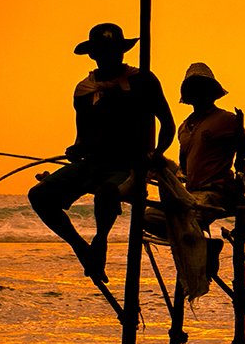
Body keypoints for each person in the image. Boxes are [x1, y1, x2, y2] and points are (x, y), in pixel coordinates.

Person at [29, 22, 175, 283]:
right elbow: (82, 136)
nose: (107, 56)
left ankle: (100, 241)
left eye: (112, 51)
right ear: (93, 55)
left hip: (129, 166)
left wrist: (156, 153)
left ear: (121, 53)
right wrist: (75, 149)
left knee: (107, 193)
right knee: (39, 195)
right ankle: (80, 247)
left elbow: (168, 124)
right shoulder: (84, 91)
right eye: (101, 52)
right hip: (92, 163)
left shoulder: (142, 81)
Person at [176, 62, 245, 214]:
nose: (198, 92)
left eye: (202, 87)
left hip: (217, 192)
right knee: (149, 217)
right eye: (194, 88)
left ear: (210, 91)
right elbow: (183, 168)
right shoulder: (183, 128)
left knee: (188, 215)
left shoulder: (227, 120)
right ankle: (195, 238)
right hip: (191, 193)